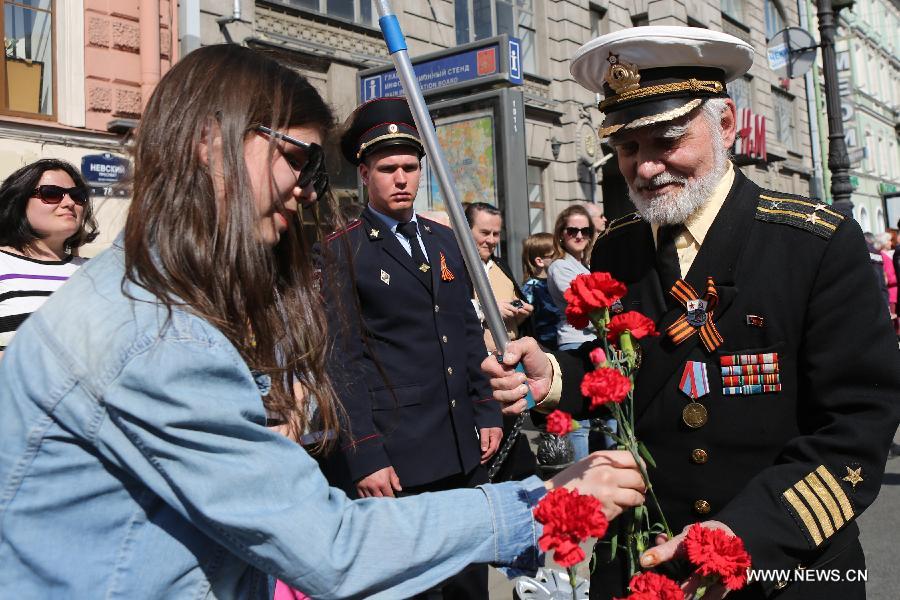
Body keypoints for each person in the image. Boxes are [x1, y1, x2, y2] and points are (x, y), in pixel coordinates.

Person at [0, 45, 648, 599]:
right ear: (209, 144)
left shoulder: (144, 300)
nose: (308, 188)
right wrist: (544, 504)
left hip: (454, 451)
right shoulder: (155, 337)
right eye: (298, 159)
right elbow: (329, 544)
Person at [483, 26, 900, 600]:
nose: (646, 167)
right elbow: (634, 380)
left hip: (782, 567)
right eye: (629, 148)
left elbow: (856, 428)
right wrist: (555, 377)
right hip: (642, 562)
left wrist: (738, 533)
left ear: (725, 124)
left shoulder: (814, 242)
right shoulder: (617, 247)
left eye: (667, 140)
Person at [320, 98, 503, 597]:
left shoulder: (445, 241)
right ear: (363, 173)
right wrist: (363, 455)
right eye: (387, 169)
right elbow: (342, 361)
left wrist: (486, 408)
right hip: (397, 457)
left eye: (409, 167)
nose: (401, 179)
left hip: (461, 449)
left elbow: (466, 332)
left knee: (469, 587)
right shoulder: (343, 250)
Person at [0, 159, 98, 358]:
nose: (69, 203)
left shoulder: (98, 272)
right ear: (18, 202)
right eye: (51, 194)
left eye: (77, 196)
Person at [547, 205, 597, 460]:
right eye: (572, 230)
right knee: (581, 422)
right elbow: (585, 306)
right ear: (561, 234)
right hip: (575, 344)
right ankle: (583, 484)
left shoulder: (586, 265)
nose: (579, 236)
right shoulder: (560, 267)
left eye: (585, 231)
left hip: (597, 344)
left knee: (607, 418)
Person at [464, 201, 533, 354]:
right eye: (485, 233)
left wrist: (521, 311)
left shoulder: (501, 266)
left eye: (496, 234)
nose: (492, 240)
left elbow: (515, 316)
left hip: (512, 354)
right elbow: (448, 310)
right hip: (478, 360)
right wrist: (489, 310)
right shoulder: (454, 265)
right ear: (466, 230)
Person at [521, 232, 563, 351]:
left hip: (562, 341)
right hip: (544, 346)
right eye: (556, 255)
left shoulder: (557, 281)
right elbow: (525, 322)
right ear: (540, 261)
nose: (561, 258)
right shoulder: (531, 288)